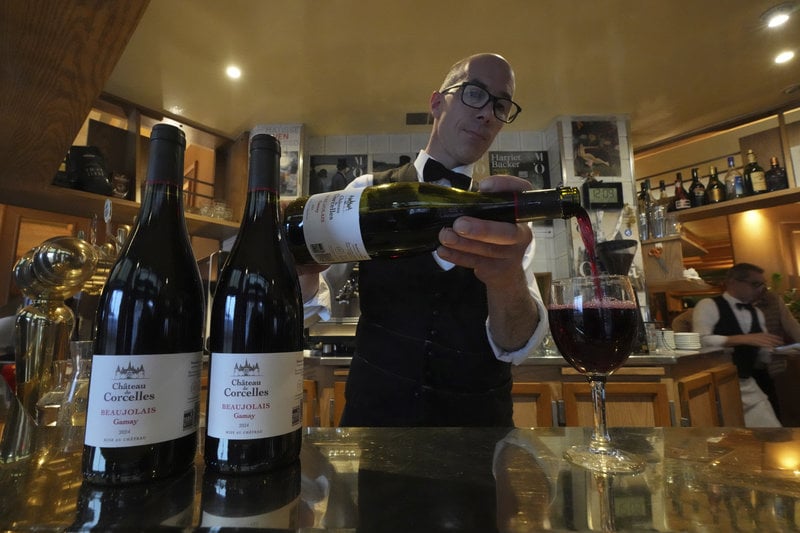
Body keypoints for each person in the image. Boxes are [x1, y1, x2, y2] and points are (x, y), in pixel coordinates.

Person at [299, 53, 548, 427]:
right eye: (474, 93)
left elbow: (515, 345)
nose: (487, 114)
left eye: (500, 104)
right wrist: (302, 265)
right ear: (436, 102)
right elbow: (308, 308)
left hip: (479, 438)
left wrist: (506, 278)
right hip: (374, 428)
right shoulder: (364, 192)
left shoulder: (506, 221)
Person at [692, 263, 784, 427]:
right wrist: (742, 339)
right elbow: (700, 341)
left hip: (747, 382)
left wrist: (776, 353)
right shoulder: (708, 305)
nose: (761, 289)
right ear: (733, 282)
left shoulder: (757, 312)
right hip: (717, 386)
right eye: (755, 284)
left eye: (763, 285)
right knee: (728, 439)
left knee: (772, 430)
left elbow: (762, 354)